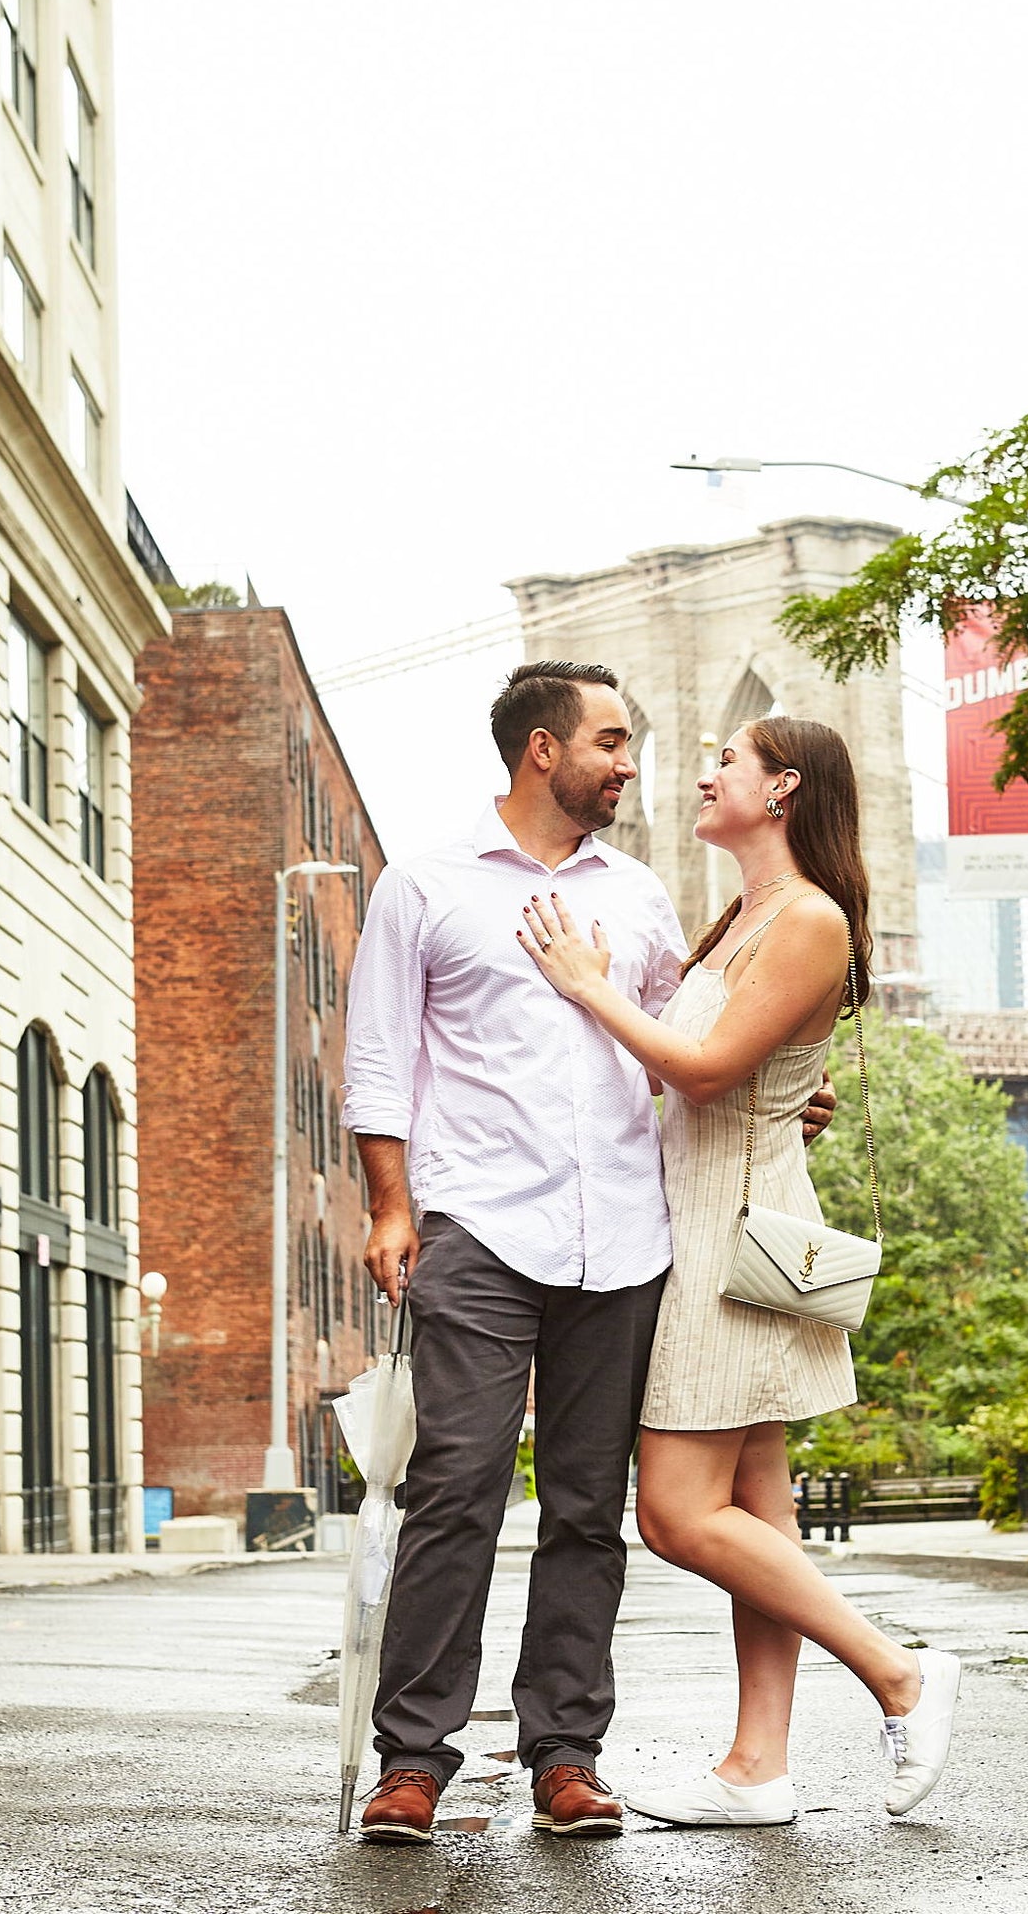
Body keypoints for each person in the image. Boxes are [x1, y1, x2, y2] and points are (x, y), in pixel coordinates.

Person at [341, 661, 834, 1845]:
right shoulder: (424, 886)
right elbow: (375, 1059)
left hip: (623, 1237)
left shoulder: (641, 896)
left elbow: (687, 1044)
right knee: (454, 1491)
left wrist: (780, 1098)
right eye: (611, 741)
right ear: (541, 752)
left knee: (583, 1509)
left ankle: (565, 1752)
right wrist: (389, 1207)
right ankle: (412, 1759)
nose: (631, 763)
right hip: (477, 1227)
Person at [519, 715, 961, 1826]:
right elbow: (730, 1079)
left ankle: (898, 1673)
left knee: (672, 1515)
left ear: (781, 789)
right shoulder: (745, 916)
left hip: (732, 1239)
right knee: (758, 1513)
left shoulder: (806, 917)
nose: (703, 773)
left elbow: (707, 1073)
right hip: (702, 1223)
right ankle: (755, 1768)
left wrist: (586, 983)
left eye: (727, 760)